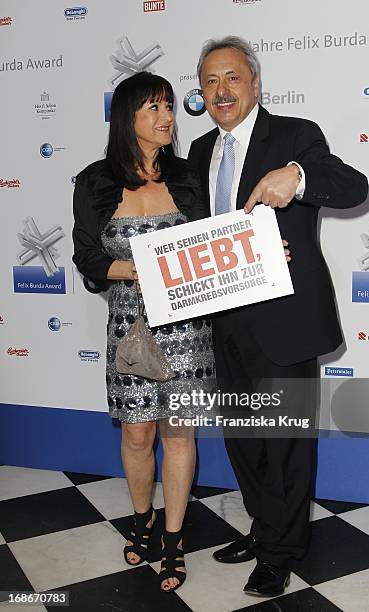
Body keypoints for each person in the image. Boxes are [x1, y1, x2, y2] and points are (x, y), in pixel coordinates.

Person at [188, 36, 368, 598]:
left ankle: (283, 552)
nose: (221, 91)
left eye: (232, 78)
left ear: (255, 84)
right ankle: (264, 530)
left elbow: (351, 186)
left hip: (284, 319)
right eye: (210, 81)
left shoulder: (295, 136)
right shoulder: (198, 151)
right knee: (244, 437)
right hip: (223, 320)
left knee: (285, 440)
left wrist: (299, 177)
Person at [72, 72, 215, 592]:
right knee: (138, 433)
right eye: (153, 108)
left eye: (170, 107)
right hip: (132, 330)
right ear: (126, 117)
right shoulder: (95, 182)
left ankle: (174, 541)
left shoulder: (188, 176)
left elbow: (214, 245)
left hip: (189, 330)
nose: (167, 118)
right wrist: (140, 268)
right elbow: (87, 258)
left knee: (179, 435)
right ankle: (141, 519)